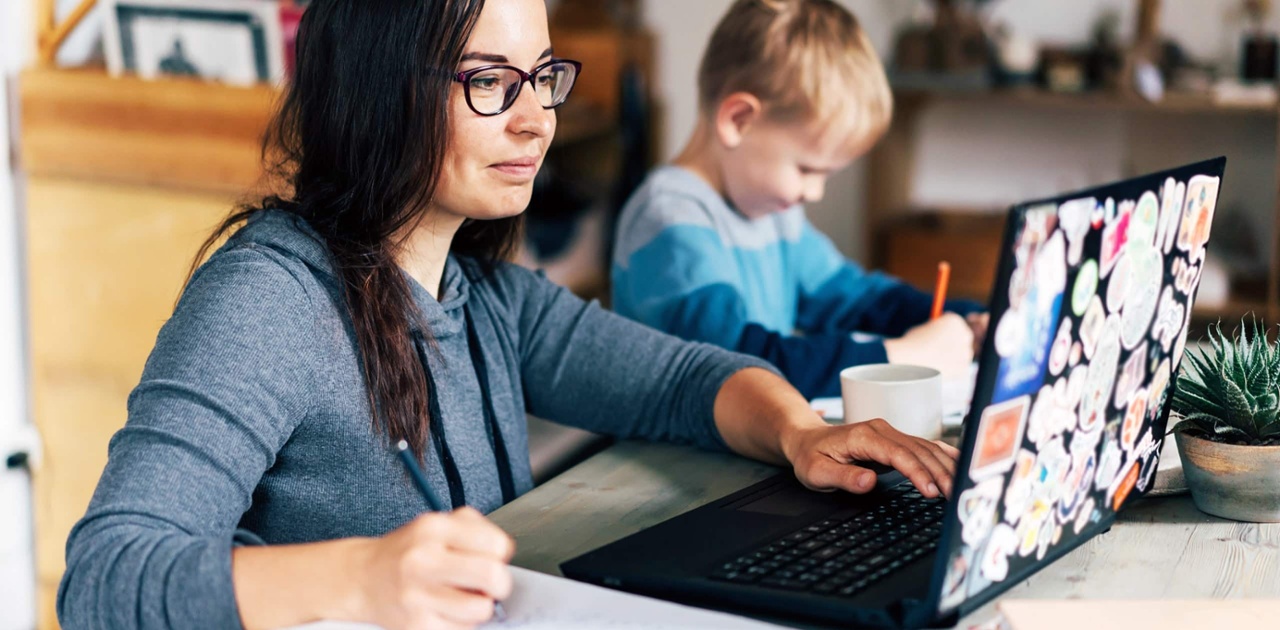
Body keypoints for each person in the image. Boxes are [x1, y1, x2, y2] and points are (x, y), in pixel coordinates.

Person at [57, 1, 960, 629]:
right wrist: (361, 576)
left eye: (542, 79)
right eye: (492, 81)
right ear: (381, 88)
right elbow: (105, 580)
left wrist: (800, 434)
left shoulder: (483, 294)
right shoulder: (266, 301)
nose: (537, 122)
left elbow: (685, 378)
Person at [611, 0, 988, 400]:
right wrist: (901, 355)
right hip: (668, 456)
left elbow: (856, 298)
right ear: (738, 120)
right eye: (808, 169)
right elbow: (740, 364)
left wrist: (963, 319)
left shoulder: (770, 211)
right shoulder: (670, 218)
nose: (815, 192)